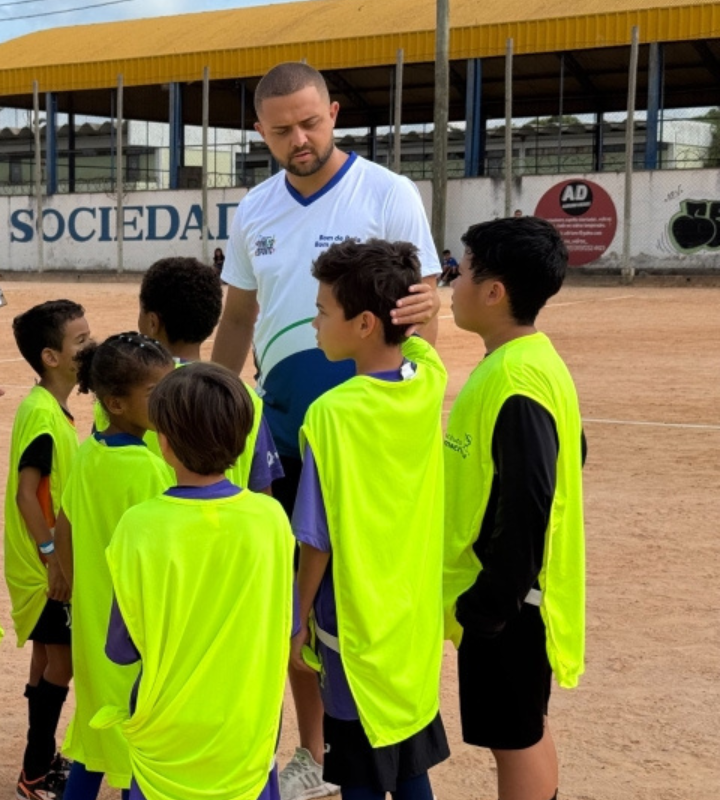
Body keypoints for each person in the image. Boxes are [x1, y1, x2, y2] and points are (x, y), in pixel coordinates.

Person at [211, 62, 440, 800]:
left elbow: (424, 314)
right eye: (281, 130)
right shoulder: (253, 209)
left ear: (333, 112)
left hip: (366, 438)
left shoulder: (388, 193)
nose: (299, 139)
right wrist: (217, 396)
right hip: (284, 431)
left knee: (366, 594)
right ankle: (316, 750)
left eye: (311, 122)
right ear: (260, 131)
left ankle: (379, 733)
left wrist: (410, 415)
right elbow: (240, 316)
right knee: (295, 602)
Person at [293, 239, 449, 800]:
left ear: (362, 324)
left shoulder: (331, 414)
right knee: (409, 764)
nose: (313, 322)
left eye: (322, 311)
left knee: (358, 776)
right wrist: (424, 307)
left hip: (351, 627)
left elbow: (316, 538)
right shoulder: (427, 385)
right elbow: (425, 349)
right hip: (410, 622)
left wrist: (296, 617)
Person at [99, 363, 294, 800]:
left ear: (163, 443)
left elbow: (121, 647)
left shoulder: (138, 526)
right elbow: (287, 621)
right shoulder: (271, 520)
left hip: (166, 740)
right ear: (243, 441)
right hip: (246, 733)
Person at [444, 217, 585, 800]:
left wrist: (491, 605)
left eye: (462, 270)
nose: (452, 282)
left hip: (511, 602)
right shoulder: (527, 360)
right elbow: (572, 452)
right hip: (516, 596)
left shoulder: (516, 378)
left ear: (494, 291)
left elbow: (529, 497)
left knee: (515, 737)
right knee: (526, 725)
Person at [52, 333, 175, 800]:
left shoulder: (88, 453)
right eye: (153, 393)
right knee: (133, 754)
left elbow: (63, 525)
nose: (165, 400)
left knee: (94, 739)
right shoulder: (149, 470)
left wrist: (82, 587)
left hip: (92, 627)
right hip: (134, 639)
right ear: (115, 403)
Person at [5, 299, 93, 800]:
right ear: (50, 357)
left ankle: (37, 763)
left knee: (46, 660)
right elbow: (26, 494)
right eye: (80, 342)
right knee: (63, 665)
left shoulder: (48, 410)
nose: (91, 348)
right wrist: (52, 558)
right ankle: (36, 771)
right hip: (45, 570)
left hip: (39, 568)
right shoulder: (42, 416)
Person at [135, 256, 282, 491]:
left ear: (152, 322)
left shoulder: (124, 388)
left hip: (149, 527)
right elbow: (263, 491)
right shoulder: (245, 397)